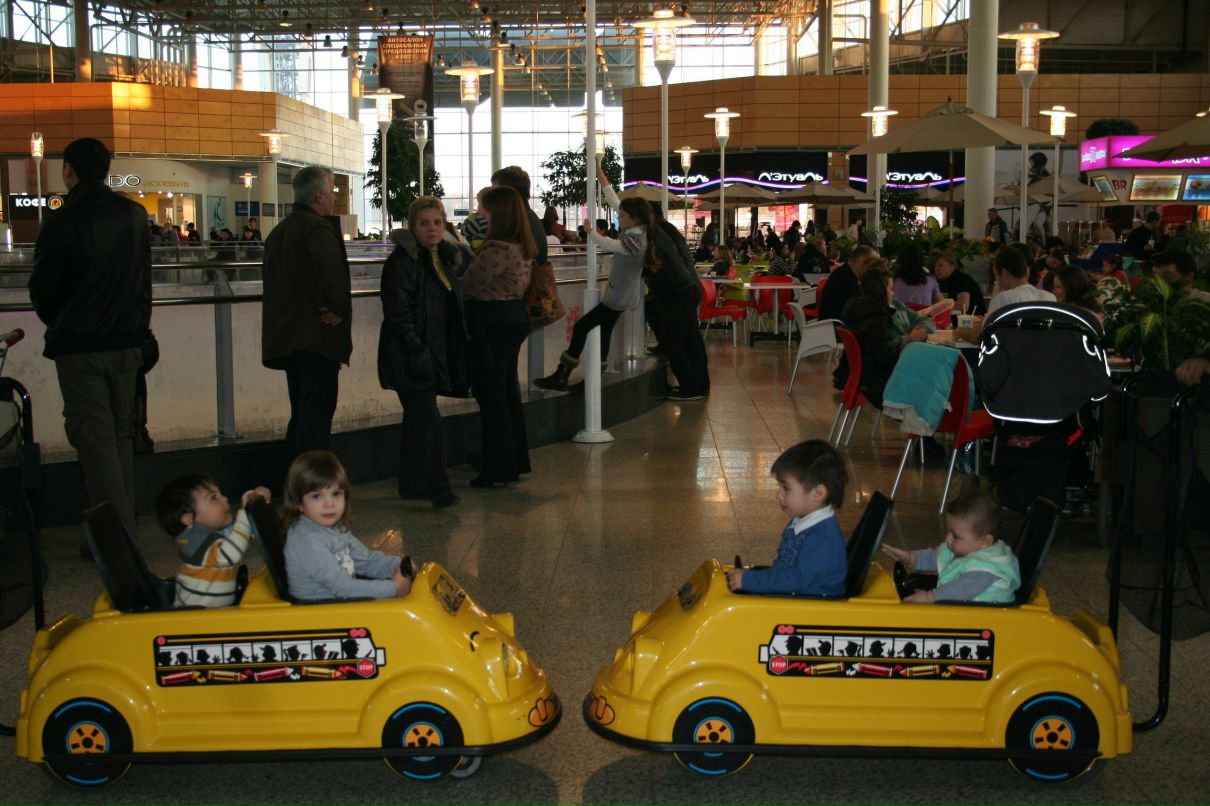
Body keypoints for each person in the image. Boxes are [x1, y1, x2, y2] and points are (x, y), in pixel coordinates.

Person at [29, 137, 151, 540]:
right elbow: (142, 280)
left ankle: (116, 541)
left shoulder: (63, 220)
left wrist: (63, 320)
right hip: (128, 342)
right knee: (120, 436)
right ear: (107, 168)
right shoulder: (134, 215)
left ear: (69, 170)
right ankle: (121, 528)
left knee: (94, 441)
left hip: (80, 347)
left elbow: (44, 290)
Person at [377, 196, 470, 509]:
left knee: (419, 420)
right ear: (412, 226)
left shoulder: (441, 258)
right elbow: (398, 313)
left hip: (428, 353)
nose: (431, 229)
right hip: (411, 355)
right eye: (424, 223)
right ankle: (438, 487)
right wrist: (418, 350)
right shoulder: (403, 261)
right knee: (428, 420)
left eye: (437, 223)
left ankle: (412, 483)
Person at [535, 160, 654, 392]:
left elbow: (611, 245)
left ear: (633, 218)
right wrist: (600, 175)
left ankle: (563, 373)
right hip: (622, 297)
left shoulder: (635, 238)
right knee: (604, 332)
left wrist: (590, 233)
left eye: (623, 215)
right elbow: (615, 202)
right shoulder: (638, 232)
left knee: (581, 327)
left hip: (617, 297)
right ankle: (592, 379)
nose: (619, 217)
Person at [261, 165, 352, 457]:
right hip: (317, 336)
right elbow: (331, 273)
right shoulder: (318, 228)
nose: (333, 198)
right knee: (316, 415)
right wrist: (339, 309)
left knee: (301, 410)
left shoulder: (279, 231)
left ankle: (295, 478)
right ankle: (310, 483)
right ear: (318, 196)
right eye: (331, 192)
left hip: (289, 336)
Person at [459, 186, 534, 487]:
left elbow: (468, 287)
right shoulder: (520, 244)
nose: (478, 213)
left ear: (497, 213)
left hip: (492, 321)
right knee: (506, 392)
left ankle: (497, 467)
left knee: (491, 395)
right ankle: (513, 460)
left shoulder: (497, 248)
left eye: (483, 208)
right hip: (512, 318)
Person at [283, 450, 416, 600]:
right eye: (317, 496)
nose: (329, 503)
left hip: (340, 600)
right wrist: (393, 589)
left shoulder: (336, 528)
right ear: (299, 503)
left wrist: (396, 566)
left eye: (336, 494)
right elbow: (342, 587)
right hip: (321, 611)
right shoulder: (307, 542)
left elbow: (365, 561)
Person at [725, 439, 847, 597]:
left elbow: (797, 580)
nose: (779, 494)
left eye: (786, 488)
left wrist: (750, 580)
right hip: (794, 597)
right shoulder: (803, 520)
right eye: (779, 487)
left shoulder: (823, 538)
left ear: (818, 493)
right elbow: (785, 567)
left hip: (808, 607)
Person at [881, 489, 1021, 604]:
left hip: (983, 622)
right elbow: (938, 556)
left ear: (984, 541)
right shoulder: (970, 547)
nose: (948, 539)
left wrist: (929, 597)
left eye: (956, 536)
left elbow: (960, 590)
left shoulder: (986, 567)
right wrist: (911, 558)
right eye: (949, 531)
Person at [156, 474, 270, 607]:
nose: (225, 498)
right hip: (195, 621)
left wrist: (252, 501)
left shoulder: (214, 533)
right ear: (189, 519)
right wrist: (244, 514)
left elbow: (243, 535)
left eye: (220, 494)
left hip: (216, 613)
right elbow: (231, 553)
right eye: (213, 498)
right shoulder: (193, 543)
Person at [837, 264, 928, 407]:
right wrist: (907, 339)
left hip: (859, 377)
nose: (893, 294)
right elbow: (885, 354)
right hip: (877, 381)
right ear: (880, 290)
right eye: (891, 289)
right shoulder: (877, 317)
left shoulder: (856, 309)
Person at [647, 203, 710, 400]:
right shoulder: (669, 230)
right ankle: (700, 385)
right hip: (689, 287)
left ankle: (691, 388)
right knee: (692, 340)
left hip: (678, 291)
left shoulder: (658, 232)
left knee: (673, 342)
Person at [491, 165, 548, 266]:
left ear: (508, 193)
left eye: (496, 191)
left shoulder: (522, 224)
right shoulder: (527, 218)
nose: (492, 196)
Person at [818, 243, 878, 322]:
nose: (871, 269)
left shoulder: (843, 272)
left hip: (829, 324)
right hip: (834, 327)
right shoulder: (847, 279)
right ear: (861, 261)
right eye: (871, 265)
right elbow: (854, 311)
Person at [932, 250, 985, 316]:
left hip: (972, 319)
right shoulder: (939, 281)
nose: (937, 268)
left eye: (941, 265)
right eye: (935, 266)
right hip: (956, 318)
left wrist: (940, 307)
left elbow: (963, 307)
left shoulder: (961, 279)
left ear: (952, 267)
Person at [892, 242, 942, 307]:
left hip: (901, 316)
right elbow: (942, 303)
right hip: (924, 316)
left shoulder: (894, 281)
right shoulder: (930, 279)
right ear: (921, 259)